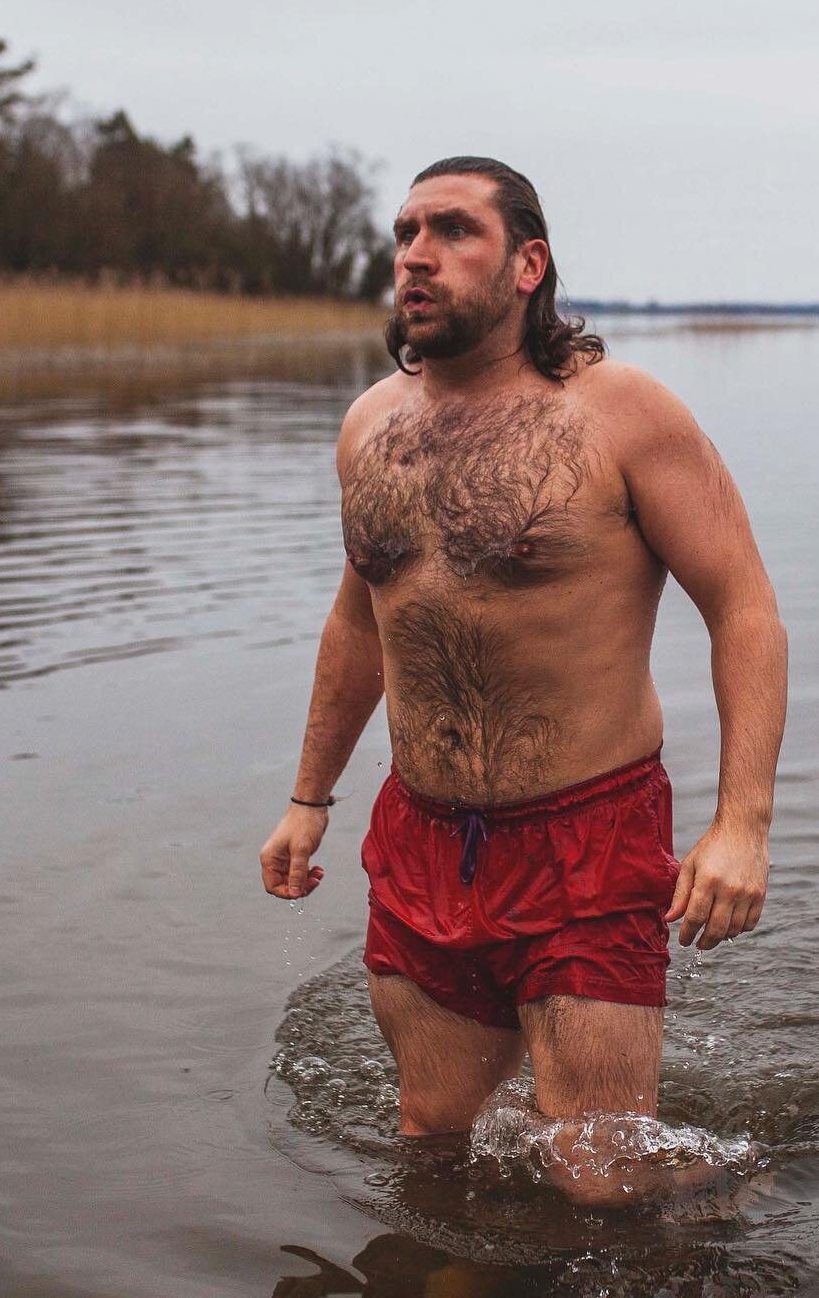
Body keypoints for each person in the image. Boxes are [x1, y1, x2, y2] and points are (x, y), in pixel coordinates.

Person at [259, 156, 787, 1204]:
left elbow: (746, 611)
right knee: (434, 1141)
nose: (416, 253)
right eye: (406, 230)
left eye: (453, 230)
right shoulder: (370, 426)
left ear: (528, 264)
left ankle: (738, 1205)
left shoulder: (623, 413)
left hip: (586, 838)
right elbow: (359, 619)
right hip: (423, 841)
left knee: (600, 1178)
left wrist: (744, 825)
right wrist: (307, 798)